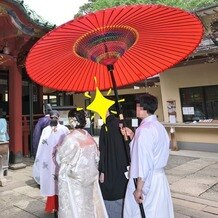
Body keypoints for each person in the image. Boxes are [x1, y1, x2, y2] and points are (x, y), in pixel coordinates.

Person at [121, 93, 174, 218]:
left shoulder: (144, 130)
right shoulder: (159, 127)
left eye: (137, 106)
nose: (136, 109)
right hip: (159, 178)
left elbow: (144, 162)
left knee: (143, 212)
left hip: (146, 180)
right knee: (159, 212)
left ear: (142, 108)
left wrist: (139, 189)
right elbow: (151, 150)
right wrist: (133, 136)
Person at [56, 108, 108, 218]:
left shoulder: (70, 138)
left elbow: (60, 158)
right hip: (89, 178)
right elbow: (96, 156)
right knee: (88, 205)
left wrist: (58, 149)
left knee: (75, 207)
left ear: (72, 120)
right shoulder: (88, 135)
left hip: (74, 179)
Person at [32, 110, 70, 214]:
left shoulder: (61, 129)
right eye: (53, 117)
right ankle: (55, 206)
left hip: (55, 161)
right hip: (52, 161)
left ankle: (56, 206)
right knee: (54, 183)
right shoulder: (51, 130)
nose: (53, 119)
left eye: (54, 117)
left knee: (56, 183)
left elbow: (68, 145)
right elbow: (42, 145)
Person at [98, 111, 129, 217]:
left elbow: (103, 151)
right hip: (123, 165)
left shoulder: (105, 127)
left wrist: (102, 170)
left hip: (109, 167)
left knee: (111, 200)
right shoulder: (122, 124)